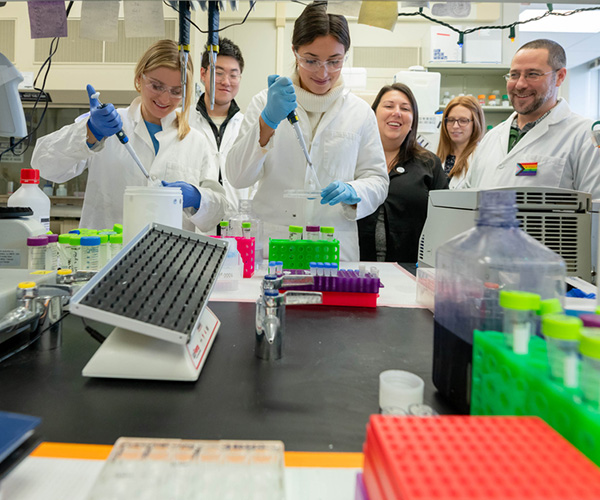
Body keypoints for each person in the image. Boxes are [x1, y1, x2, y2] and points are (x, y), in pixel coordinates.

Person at [225, 2, 388, 261]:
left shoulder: (360, 113)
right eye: (311, 60)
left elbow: (378, 180)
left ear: (345, 55)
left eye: (334, 61)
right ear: (295, 51)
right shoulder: (263, 102)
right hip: (274, 248)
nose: (323, 72)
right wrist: (267, 121)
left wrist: (354, 191)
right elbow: (237, 177)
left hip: (333, 250)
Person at [32, 39, 226, 231]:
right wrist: (91, 131)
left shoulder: (197, 142)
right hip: (108, 256)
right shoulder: (108, 124)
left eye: (176, 91)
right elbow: (43, 165)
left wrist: (198, 197)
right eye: (157, 86)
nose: (165, 98)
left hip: (170, 258)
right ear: (140, 78)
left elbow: (217, 213)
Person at [464, 39, 600, 199]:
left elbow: (596, 209)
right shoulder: (491, 138)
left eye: (532, 74)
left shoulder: (586, 136)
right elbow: (467, 197)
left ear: (560, 76)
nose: (520, 84)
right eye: (514, 75)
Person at [358, 83, 449, 264]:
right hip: (354, 270)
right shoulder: (354, 159)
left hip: (410, 271)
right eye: (389, 106)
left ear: (413, 121)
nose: (396, 112)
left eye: (405, 108)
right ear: (373, 114)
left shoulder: (429, 164)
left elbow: (445, 220)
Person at [189, 37, 255, 217]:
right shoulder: (182, 120)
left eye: (233, 75)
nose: (226, 81)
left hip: (238, 227)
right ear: (203, 74)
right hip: (194, 227)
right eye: (218, 73)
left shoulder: (248, 125)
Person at [436, 95, 485, 189]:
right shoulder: (439, 156)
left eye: (463, 121)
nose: (455, 126)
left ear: (476, 123)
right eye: (451, 120)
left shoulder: (481, 158)